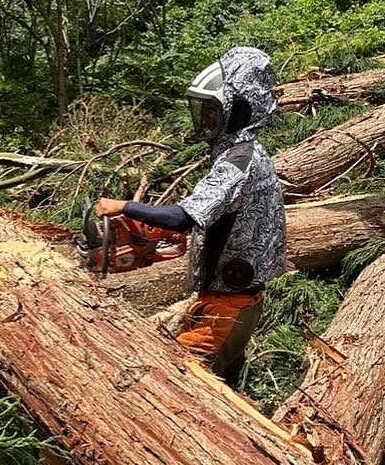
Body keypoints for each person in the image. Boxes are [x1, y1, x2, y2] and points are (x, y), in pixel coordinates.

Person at [94, 47, 287, 383]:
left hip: (229, 306)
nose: (207, 120)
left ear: (239, 110)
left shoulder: (238, 161)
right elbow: (219, 215)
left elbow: (184, 218)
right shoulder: (243, 151)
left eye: (214, 112)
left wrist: (123, 207)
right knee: (220, 380)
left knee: (188, 385)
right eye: (204, 111)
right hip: (228, 299)